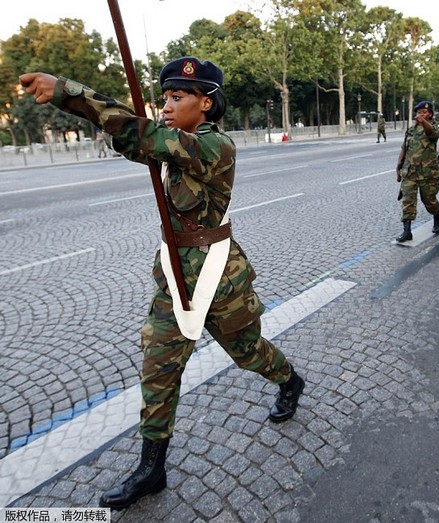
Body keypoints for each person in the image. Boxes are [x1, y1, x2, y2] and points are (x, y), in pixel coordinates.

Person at [20, 57, 305, 509]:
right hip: (175, 275)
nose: (167, 106)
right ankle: (152, 468)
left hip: (218, 276)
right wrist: (117, 127)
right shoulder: (174, 142)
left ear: (206, 103)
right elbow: (133, 138)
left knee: (248, 353)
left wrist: (67, 91)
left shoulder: (215, 147)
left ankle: (289, 380)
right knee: (158, 367)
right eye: (166, 97)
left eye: (178, 97)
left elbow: (143, 135)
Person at [395, 101, 439, 242]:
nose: (421, 114)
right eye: (419, 112)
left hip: (427, 173)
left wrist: (423, 122)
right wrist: (398, 167)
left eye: (424, 112)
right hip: (410, 172)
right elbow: (404, 148)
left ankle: (437, 216)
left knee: (429, 200)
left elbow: (432, 133)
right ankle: (407, 231)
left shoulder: (434, 127)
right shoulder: (411, 129)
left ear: (431, 114)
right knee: (408, 201)